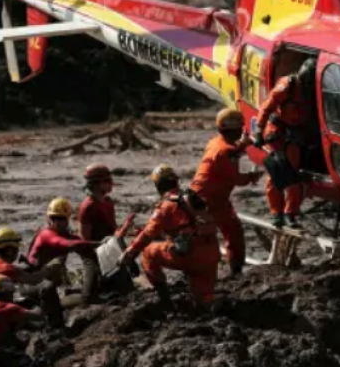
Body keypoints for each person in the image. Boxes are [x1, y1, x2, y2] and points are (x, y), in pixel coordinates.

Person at [120, 165, 221, 309]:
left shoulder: (166, 205)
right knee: (202, 300)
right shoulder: (193, 197)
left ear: (158, 186)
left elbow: (149, 233)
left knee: (147, 252)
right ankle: (207, 301)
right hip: (212, 254)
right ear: (176, 181)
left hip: (191, 255)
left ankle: (165, 300)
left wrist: (130, 253)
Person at [190, 108, 262, 277]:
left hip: (201, 196)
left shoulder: (215, 142)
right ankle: (234, 273)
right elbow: (237, 179)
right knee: (231, 234)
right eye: (241, 128)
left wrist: (243, 145)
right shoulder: (227, 151)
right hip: (210, 200)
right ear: (235, 129)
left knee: (207, 236)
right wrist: (253, 176)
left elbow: (231, 152)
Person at [254, 58, 317, 228]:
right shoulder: (287, 85)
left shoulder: (313, 90)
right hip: (278, 133)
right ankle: (276, 213)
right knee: (276, 173)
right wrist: (259, 131)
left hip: (295, 134)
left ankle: (290, 213)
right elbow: (266, 107)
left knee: (293, 176)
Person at [0, 227, 64, 327]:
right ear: (10, 251)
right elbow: (34, 280)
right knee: (35, 299)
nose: (17, 252)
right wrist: (51, 267)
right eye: (16, 248)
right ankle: (54, 327)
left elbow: (18, 272)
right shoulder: (5, 268)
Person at [76, 164, 137, 297]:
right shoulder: (88, 207)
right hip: (99, 255)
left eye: (111, 180)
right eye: (107, 181)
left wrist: (128, 229)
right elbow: (84, 241)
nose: (112, 184)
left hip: (112, 250)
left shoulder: (108, 202)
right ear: (97, 184)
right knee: (90, 298)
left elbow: (114, 231)